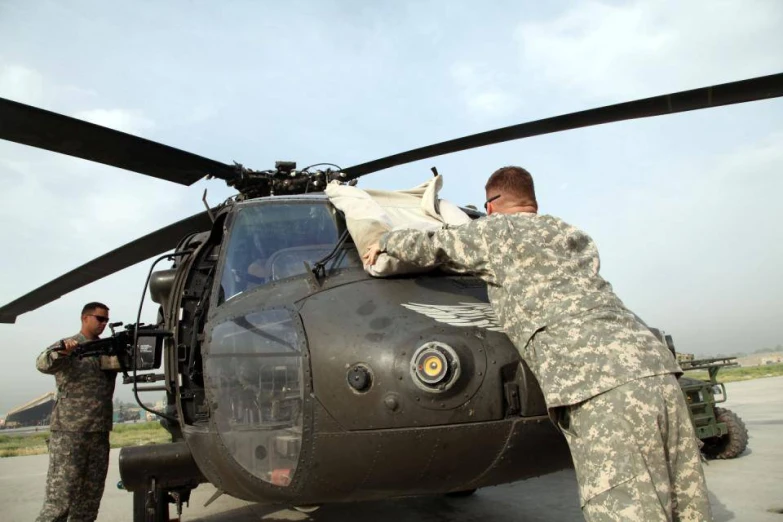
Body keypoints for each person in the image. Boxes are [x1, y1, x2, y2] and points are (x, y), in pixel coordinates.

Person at [363, 166, 712, 521]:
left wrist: (385, 241)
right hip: (659, 371)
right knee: (687, 505)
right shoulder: (567, 232)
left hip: (599, 385)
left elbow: (431, 243)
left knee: (626, 507)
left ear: (493, 204)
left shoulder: (497, 231)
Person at [35, 302, 117, 522]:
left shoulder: (109, 347)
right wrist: (63, 351)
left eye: (106, 320)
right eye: (100, 319)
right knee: (59, 501)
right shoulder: (70, 346)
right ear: (85, 318)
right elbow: (42, 363)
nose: (103, 324)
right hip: (70, 433)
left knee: (89, 501)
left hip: (98, 432)